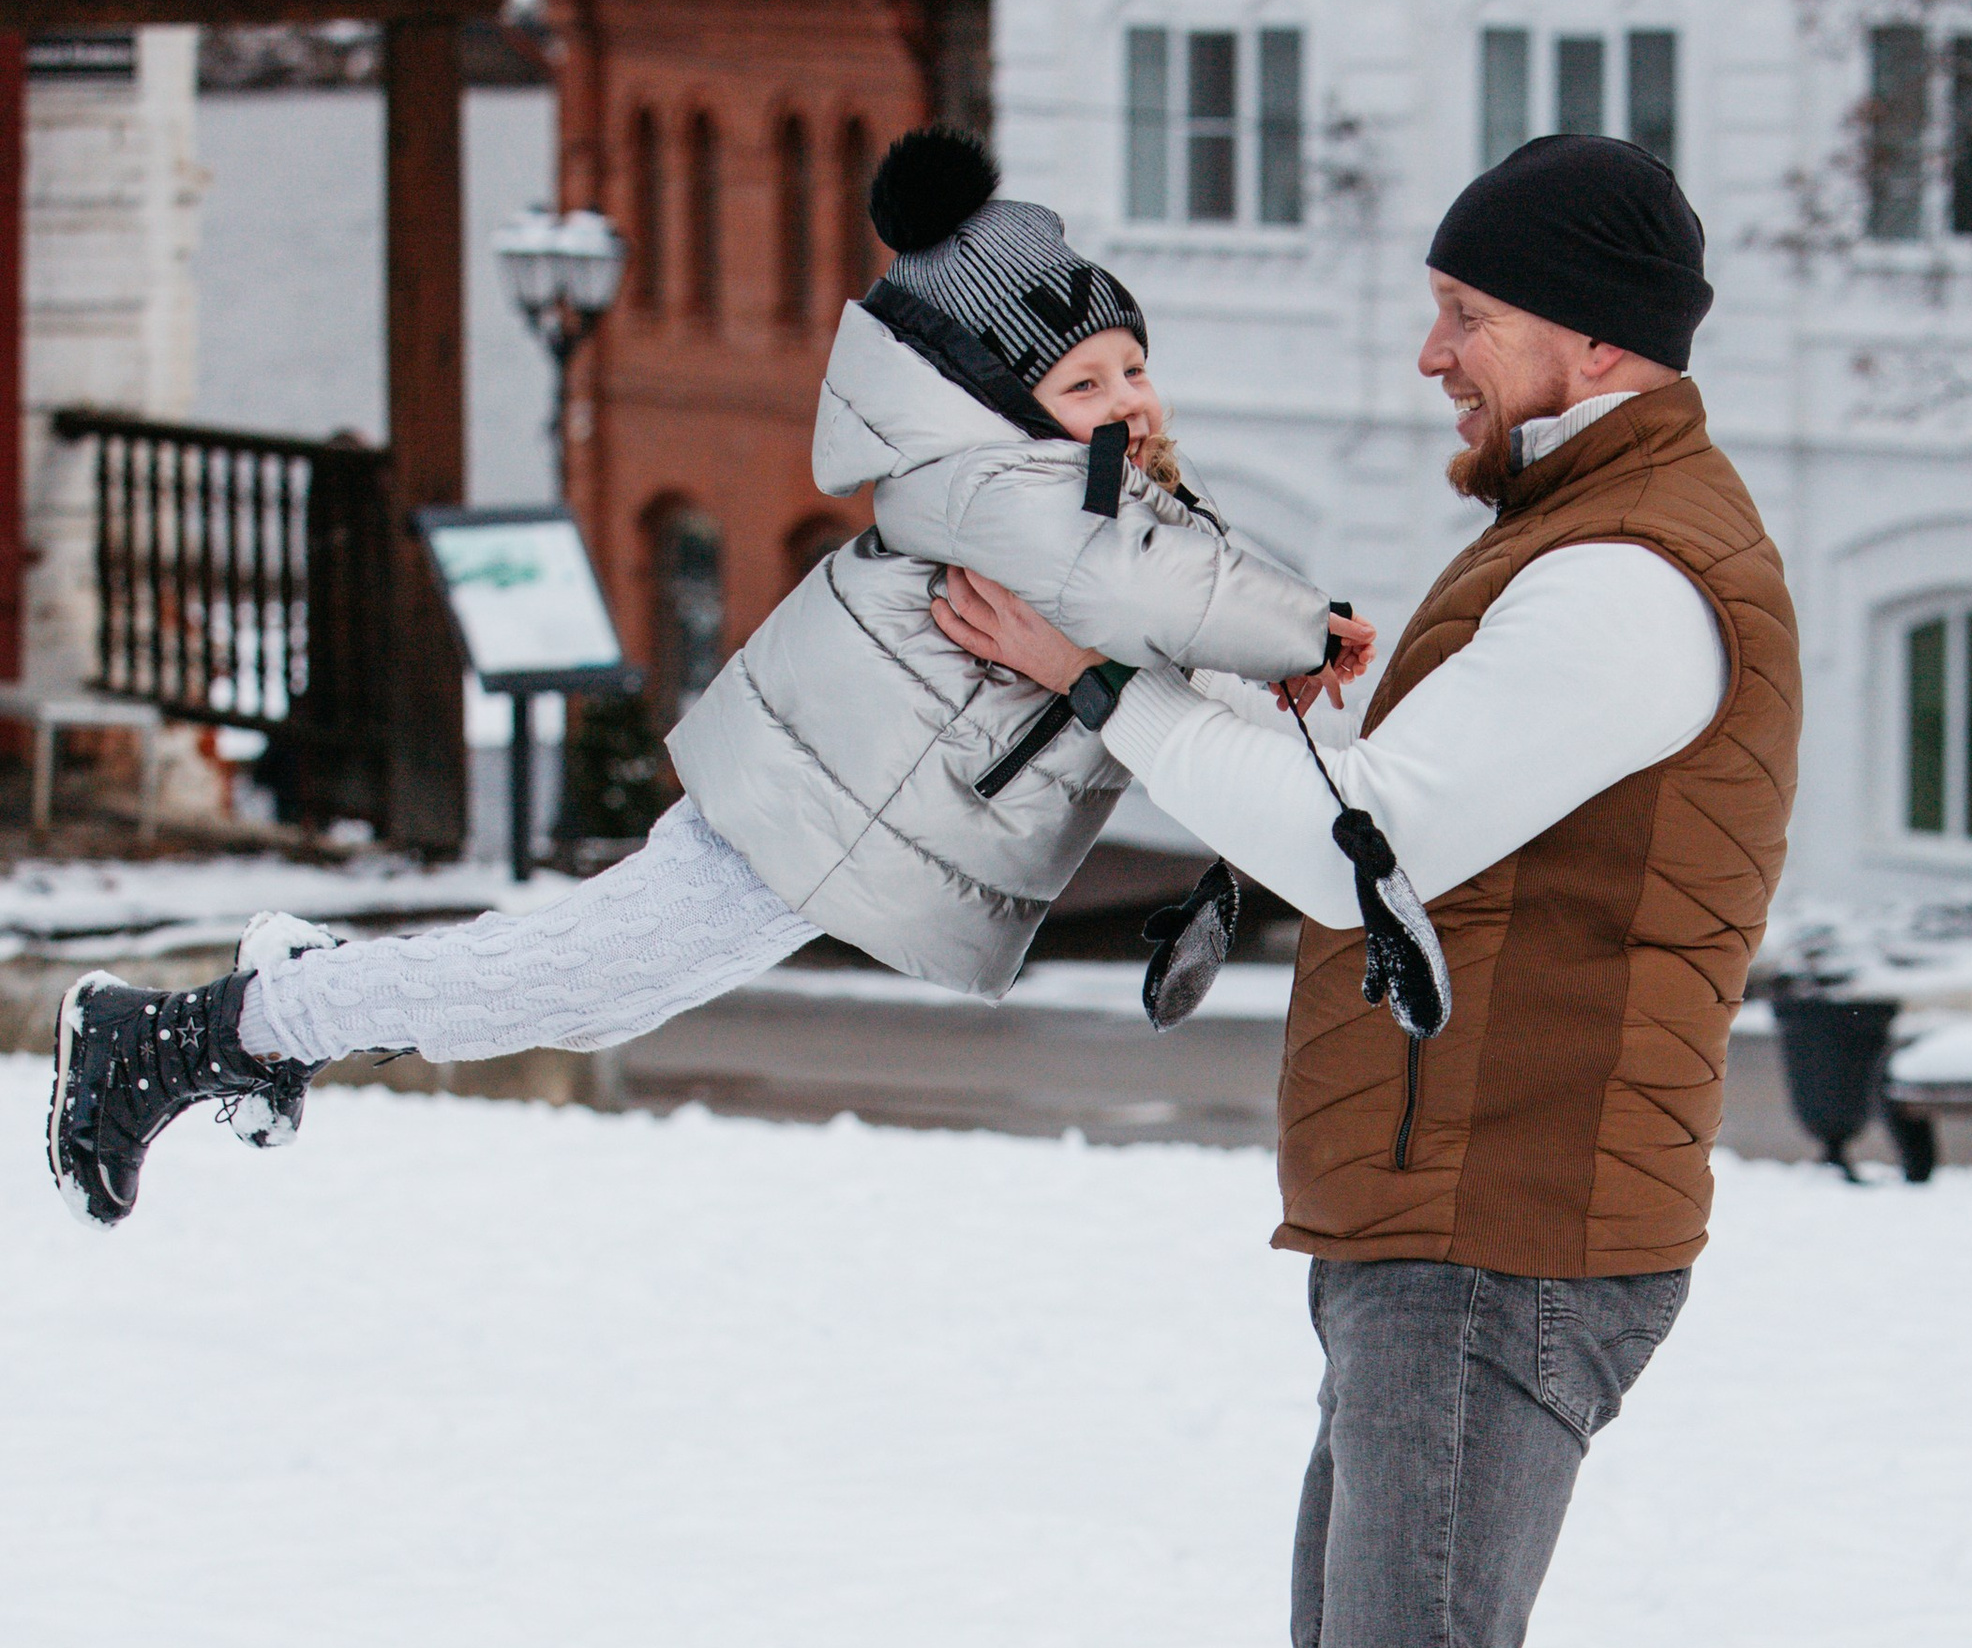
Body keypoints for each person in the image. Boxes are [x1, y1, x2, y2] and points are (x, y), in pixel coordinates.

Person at [935, 132, 1803, 1648]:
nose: (1430, 350)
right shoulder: (1552, 548)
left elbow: (1370, 845)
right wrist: (1159, 601)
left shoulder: (1624, 579)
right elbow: (1358, 770)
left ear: (1589, 335)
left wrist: (1100, 683)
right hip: (1435, 1195)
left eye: (1467, 316)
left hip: (1516, 1216)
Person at [46, 132, 1369, 1227]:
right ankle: (187, 1034)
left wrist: (1277, 684)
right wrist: (1309, 633)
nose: (1127, 394)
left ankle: (272, 1000)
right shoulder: (1004, 484)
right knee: (559, 981)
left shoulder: (1090, 498)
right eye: (1085, 379)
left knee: (602, 985)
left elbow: (1162, 613)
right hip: (822, 803)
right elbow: (1174, 594)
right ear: (992, 395)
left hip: (847, 812)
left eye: (1132, 365)